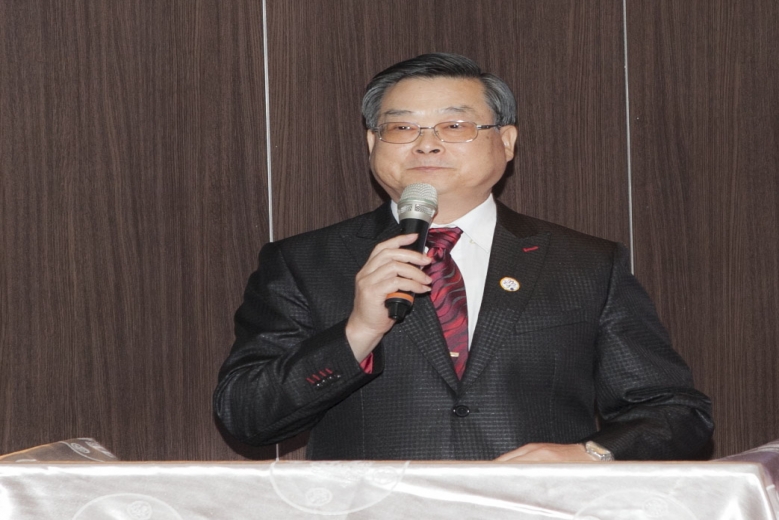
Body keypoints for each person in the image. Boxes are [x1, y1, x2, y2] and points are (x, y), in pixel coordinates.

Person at [213, 53, 713, 461]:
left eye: (455, 125)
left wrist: (589, 455)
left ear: (506, 142)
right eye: (402, 128)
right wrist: (357, 332)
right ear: (372, 143)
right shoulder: (303, 262)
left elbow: (675, 413)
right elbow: (246, 416)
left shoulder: (585, 264)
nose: (427, 146)